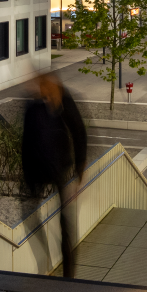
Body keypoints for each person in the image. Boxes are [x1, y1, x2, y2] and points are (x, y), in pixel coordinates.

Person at [21, 73, 87, 278]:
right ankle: (46, 262)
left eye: (41, 86)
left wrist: (79, 170)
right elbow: (26, 142)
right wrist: (28, 176)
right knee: (29, 215)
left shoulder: (64, 102)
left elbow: (79, 132)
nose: (36, 90)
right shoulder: (33, 107)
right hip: (39, 171)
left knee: (66, 223)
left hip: (62, 170)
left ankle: (68, 273)